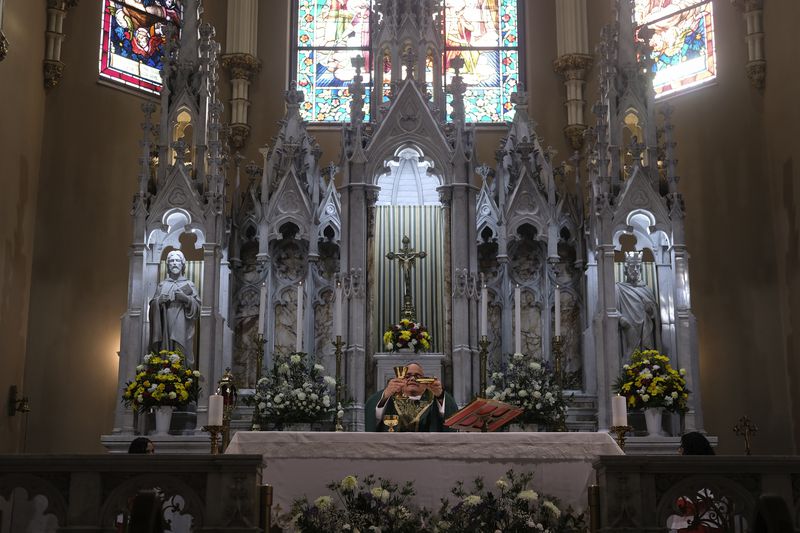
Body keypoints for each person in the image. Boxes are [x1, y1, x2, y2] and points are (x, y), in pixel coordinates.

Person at [364, 363, 458, 432]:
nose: (412, 379)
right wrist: (385, 395)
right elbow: (373, 414)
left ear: (425, 382)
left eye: (418, 376)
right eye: (407, 376)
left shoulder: (434, 399)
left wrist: (440, 395)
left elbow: (449, 415)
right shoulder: (389, 397)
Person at [148, 250, 201, 366]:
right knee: (166, 351)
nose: (175, 263)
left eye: (177, 260)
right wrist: (158, 302)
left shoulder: (189, 284)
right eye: (171, 261)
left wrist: (185, 299)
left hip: (183, 324)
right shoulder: (162, 285)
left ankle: (183, 375)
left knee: (181, 350)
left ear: (182, 264)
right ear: (168, 265)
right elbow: (152, 306)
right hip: (165, 324)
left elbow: (198, 308)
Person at [616, 251, 659, 359]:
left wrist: (651, 310)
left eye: (637, 267)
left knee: (646, 357)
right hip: (628, 328)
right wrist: (621, 319)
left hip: (645, 328)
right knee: (630, 355)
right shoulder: (618, 288)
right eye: (632, 267)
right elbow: (610, 309)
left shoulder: (646, 289)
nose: (635, 270)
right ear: (626, 269)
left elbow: (655, 314)